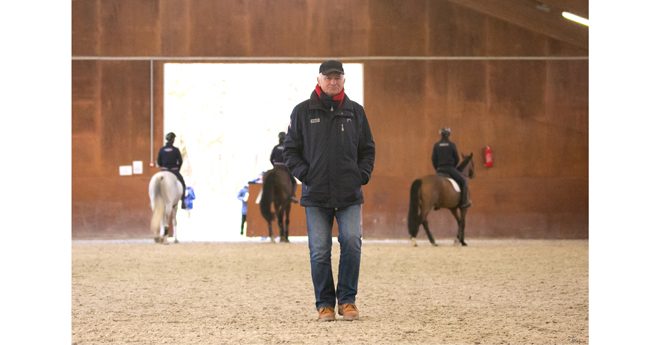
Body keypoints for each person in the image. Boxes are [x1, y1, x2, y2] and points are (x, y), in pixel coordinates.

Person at [283, 60, 376, 322]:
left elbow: (368, 148)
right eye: (328, 77)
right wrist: (306, 175)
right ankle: (324, 304)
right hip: (316, 194)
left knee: (351, 243)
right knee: (319, 250)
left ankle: (347, 301)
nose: (333, 82)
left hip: (349, 194)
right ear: (319, 79)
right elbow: (289, 150)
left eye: (338, 78)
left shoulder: (355, 112)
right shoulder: (302, 112)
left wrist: (362, 175)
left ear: (344, 81)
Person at [432, 127, 472, 208]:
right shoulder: (452, 145)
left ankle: (436, 203)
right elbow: (457, 158)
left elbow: (433, 159)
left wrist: (437, 169)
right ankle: (464, 202)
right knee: (463, 182)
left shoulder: (436, 145)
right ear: (448, 135)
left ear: (441, 135)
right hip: (449, 169)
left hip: (439, 169)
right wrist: (452, 167)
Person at [157, 132, 187, 209]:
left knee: (157, 184)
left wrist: (164, 166)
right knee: (183, 184)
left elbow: (159, 162)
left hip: (164, 171)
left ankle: (155, 200)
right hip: (174, 171)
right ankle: (183, 202)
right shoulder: (176, 150)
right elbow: (180, 161)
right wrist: (177, 168)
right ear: (173, 140)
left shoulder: (162, 150)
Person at [270, 131, 298, 203]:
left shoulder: (275, 147)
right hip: (284, 167)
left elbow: (271, 158)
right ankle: (292, 195)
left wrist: (274, 166)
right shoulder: (287, 147)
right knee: (294, 182)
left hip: (276, 166)